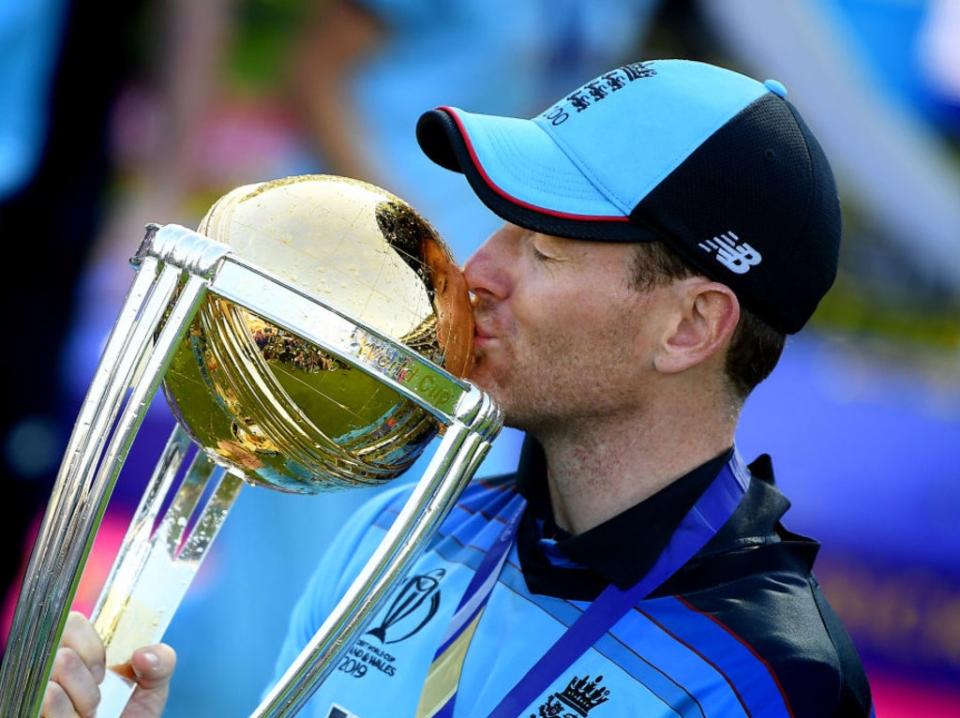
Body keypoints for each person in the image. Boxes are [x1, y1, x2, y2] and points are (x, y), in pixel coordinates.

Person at [44, 59, 873, 717]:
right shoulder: (407, 531)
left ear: (690, 327)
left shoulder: (763, 679)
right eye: (500, 227)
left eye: (544, 249)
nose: (477, 273)